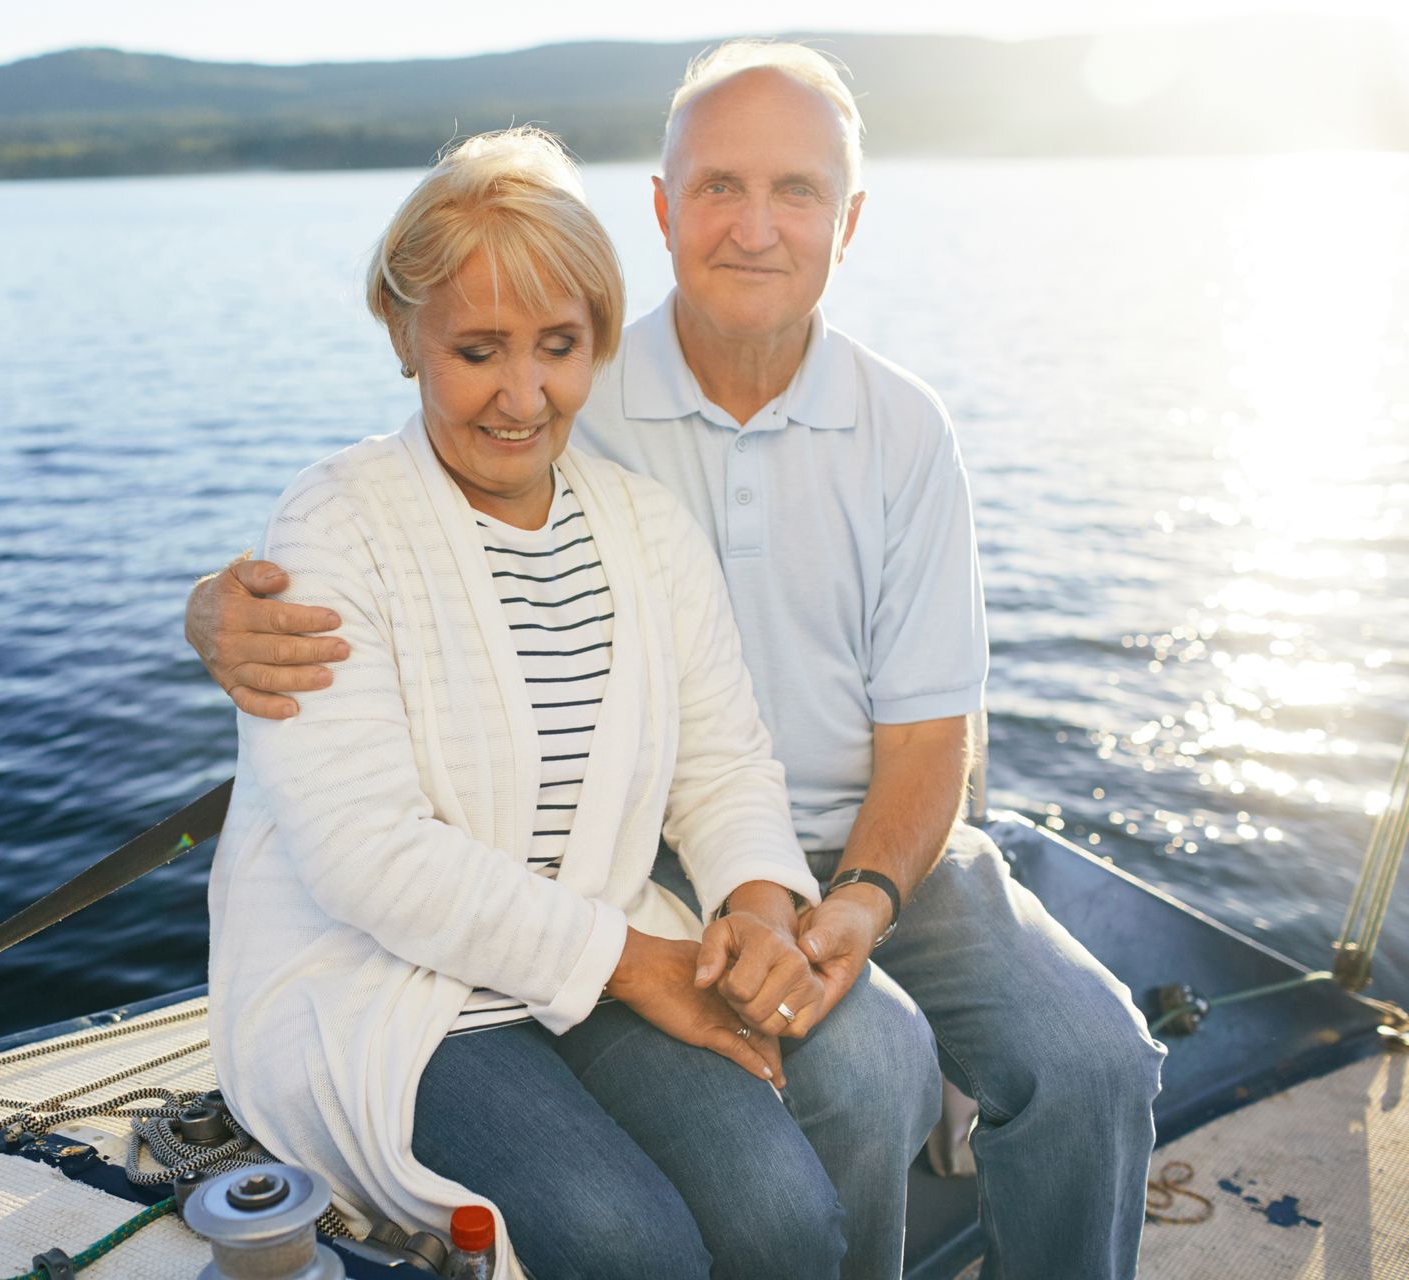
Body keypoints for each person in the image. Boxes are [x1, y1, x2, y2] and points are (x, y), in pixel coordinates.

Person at [191, 40, 1167, 1280]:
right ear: (660, 207)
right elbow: (391, 506)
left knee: (1071, 1062)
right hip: (602, 888)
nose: (522, 389)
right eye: (718, 186)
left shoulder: (889, 433)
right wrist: (214, 611)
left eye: (796, 191)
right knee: (714, 1172)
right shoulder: (561, 397)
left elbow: (873, 744)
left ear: (848, 218)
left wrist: (815, 902)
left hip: (846, 862)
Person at [206, 125, 938, 1280]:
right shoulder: (335, 523)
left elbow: (722, 765)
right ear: (405, 336)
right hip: (401, 992)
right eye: (477, 349)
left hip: (594, 956)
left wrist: (752, 900)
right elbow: (361, 854)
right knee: (622, 1240)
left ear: (600, 340)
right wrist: (643, 965)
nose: (522, 393)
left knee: (782, 1217)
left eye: (560, 345)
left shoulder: (643, 524)